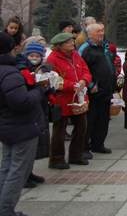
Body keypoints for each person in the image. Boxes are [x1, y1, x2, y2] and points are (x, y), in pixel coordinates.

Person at [0, 32, 48, 216]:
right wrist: (39, 90)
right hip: (20, 126)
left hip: (7, 125)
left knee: (7, 166)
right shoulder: (10, 72)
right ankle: (6, 209)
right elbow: (21, 102)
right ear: (12, 48)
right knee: (18, 169)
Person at [46, 32, 92, 169]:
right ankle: (56, 159)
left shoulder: (76, 55)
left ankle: (75, 155)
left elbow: (86, 71)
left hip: (79, 99)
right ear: (59, 46)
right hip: (61, 100)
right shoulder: (52, 59)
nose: (72, 43)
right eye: (68, 42)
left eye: (72, 41)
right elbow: (54, 80)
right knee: (59, 130)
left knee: (81, 126)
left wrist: (85, 80)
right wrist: (72, 85)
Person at [17, 41, 52, 188]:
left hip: (40, 108)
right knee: (25, 149)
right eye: (31, 55)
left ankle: (29, 173)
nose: (34, 57)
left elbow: (47, 88)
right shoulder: (23, 70)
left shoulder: (43, 69)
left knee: (35, 146)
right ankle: (23, 177)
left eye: (37, 55)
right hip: (30, 110)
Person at [78, 23, 115, 156]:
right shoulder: (86, 49)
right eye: (98, 31)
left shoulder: (104, 47)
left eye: (102, 30)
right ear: (90, 34)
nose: (101, 33)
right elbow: (80, 69)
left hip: (106, 90)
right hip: (93, 91)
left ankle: (98, 144)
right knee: (90, 119)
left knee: (103, 119)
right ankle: (84, 147)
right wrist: (91, 84)